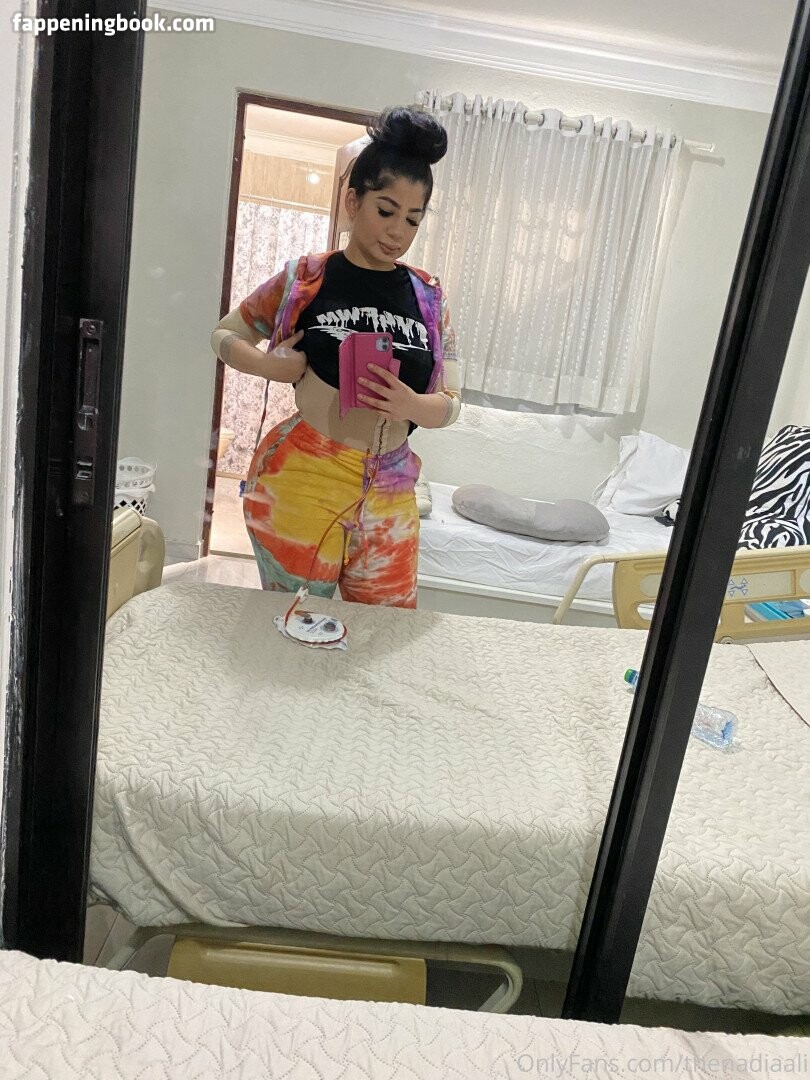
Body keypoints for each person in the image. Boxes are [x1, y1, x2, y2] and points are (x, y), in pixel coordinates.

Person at [210, 106, 461, 609]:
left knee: (385, 629)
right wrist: (270, 366)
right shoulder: (305, 278)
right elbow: (225, 334)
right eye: (386, 211)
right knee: (297, 621)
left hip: (392, 486)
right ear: (353, 200)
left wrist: (412, 405)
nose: (398, 231)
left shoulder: (430, 298)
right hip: (303, 475)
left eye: (413, 219)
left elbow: (451, 403)